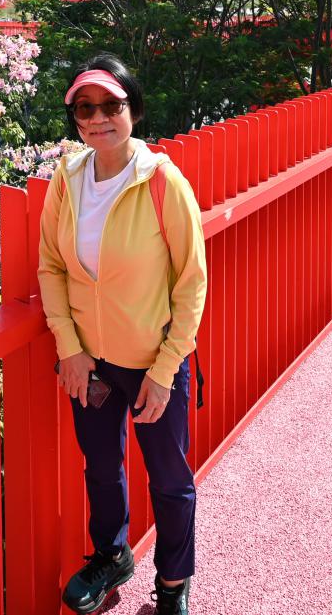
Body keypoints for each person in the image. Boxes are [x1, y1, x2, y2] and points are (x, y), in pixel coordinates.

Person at [39, 54, 208, 615]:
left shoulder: (162, 181)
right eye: (85, 108)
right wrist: (70, 349)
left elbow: (191, 282)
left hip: (154, 361)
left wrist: (165, 371)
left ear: (132, 108)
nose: (97, 118)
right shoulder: (67, 179)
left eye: (110, 105)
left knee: (169, 480)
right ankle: (111, 556)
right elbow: (51, 268)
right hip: (90, 362)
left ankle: (173, 584)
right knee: (102, 469)